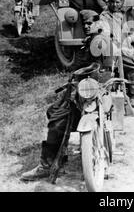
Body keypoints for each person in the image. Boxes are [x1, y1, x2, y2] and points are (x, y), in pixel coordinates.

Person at [20, 10, 100, 181]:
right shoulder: (90, 41)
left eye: (90, 24)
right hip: (82, 88)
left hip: (88, 91)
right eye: (84, 24)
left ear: (98, 24)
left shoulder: (98, 42)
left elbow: (97, 67)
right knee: (53, 110)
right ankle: (59, 158)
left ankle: (47, 166)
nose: (86, 27)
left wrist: (80, 73)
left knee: (57, 120)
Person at [97, 0, 134, 109]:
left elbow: (133, 31)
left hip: (124, 48)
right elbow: (105, 36)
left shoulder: (123, 15)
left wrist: (130, 38)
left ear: (121, 3)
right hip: (112, 51)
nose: (115, 5)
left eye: (117, 2)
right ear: (108, 2)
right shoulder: (104, 17)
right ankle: (131, 96)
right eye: (112, 2)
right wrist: (118, 48)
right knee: (133, 67)